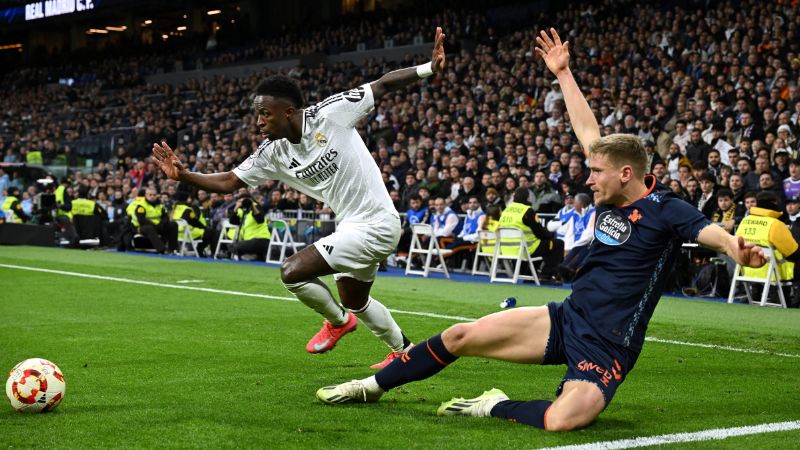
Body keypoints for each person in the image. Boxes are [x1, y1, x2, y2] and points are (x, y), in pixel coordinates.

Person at [315, 28, 766, 431]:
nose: (588, 179)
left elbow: (708, 230)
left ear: (626, 174)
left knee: (563, 419)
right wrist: (564, 74)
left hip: (610, 345)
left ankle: (492, 405)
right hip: (567, 319)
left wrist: (734, 247)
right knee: (459, 336)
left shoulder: (667, 208)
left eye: (596, 173)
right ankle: (368, 386)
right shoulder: (614, 180)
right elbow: (587, 128)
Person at [152, 27, 447, 369]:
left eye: (265, 114)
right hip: (351, 227)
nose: (259, 122)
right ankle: (404, 352)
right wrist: (184, 175)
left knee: (292, 271)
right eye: (257, 114)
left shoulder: (330, 114)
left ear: (288, 111)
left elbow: (382, 84)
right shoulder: (272, 153)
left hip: (378, 223)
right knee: (356, 299)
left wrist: (429, 69)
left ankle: (337, 323)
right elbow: (231, 180)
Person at [499, 187, 564, 281]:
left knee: (544, 244)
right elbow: (540, 232)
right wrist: (550, 234)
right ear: (527, 198)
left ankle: (530, 273)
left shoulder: (506, 211)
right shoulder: (527, 211)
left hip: (506, 249)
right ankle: (546, 276)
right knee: (558, 244)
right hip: (526, 249)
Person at [128, 187, 179, 254]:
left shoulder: (160, 205)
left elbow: (165, 217)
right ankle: (161, 249)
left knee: (173, 224)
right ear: (146, 195)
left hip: (156, 226)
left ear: (157, 195)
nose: (152, 197)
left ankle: (172, 249)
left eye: (154, 195)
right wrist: (156, 226)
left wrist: (161, 224)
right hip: (140, 227)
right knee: (150, 228)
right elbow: (142, 221)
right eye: (150, 195)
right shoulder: (141, 206)